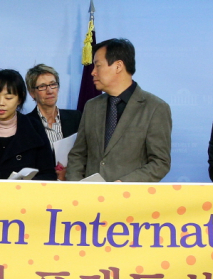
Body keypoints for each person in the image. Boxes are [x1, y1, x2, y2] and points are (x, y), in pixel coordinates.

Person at [66, 38, 172, 182]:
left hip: (130, 195)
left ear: (118, 66)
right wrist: (77, 186)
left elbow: (160, 163)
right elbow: (78, 155)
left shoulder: (155, 108)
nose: (93, 72)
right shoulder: (91, 106)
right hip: (90, 195)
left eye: (98, 66)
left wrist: (123, 185)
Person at [25, 64, 81, 180]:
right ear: (32, 93)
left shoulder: (76, 118)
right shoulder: (25, 124)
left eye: (53, 84)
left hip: (73, 182)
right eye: (42, 86)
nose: (49, 91)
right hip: (41, 185)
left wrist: (69, 172)